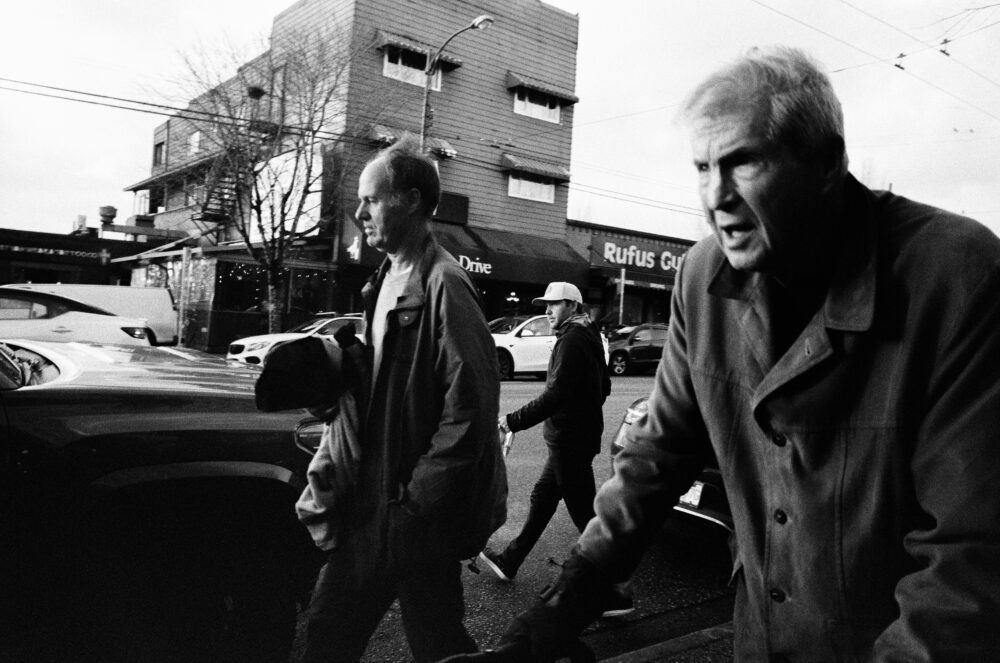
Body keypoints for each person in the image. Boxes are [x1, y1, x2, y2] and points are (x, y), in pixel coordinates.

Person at [442, 46, 1000, 662]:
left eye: (743, 162)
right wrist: (557, 614)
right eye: (703, 167)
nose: (716, 196)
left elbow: (969, 559)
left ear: (827, 162)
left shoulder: (956, 278)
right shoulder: (701, 276)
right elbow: (656, 456)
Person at [301, 135, 507, 663]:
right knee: (333, 632)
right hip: (370, 499)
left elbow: (472, 410)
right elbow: (384, 393)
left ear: (411, 200)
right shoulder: (380, 283)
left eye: (371, 199)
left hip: (410, 513)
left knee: (423, 641)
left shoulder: (445, 284)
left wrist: (414, 504)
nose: (359, 213)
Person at [478, 282, 622, 609]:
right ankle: (510, 560)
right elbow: (604, 387)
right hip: (573, 438)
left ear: (572, 305)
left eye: (554, 304)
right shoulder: (588, 335)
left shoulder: (571, 340)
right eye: (546, 304)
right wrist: (583, 409)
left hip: (569, 441)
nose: (547, 311)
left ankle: (613, 591)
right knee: (542, 498)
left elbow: (556, 394)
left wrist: (513, 420)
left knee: (585, 516)